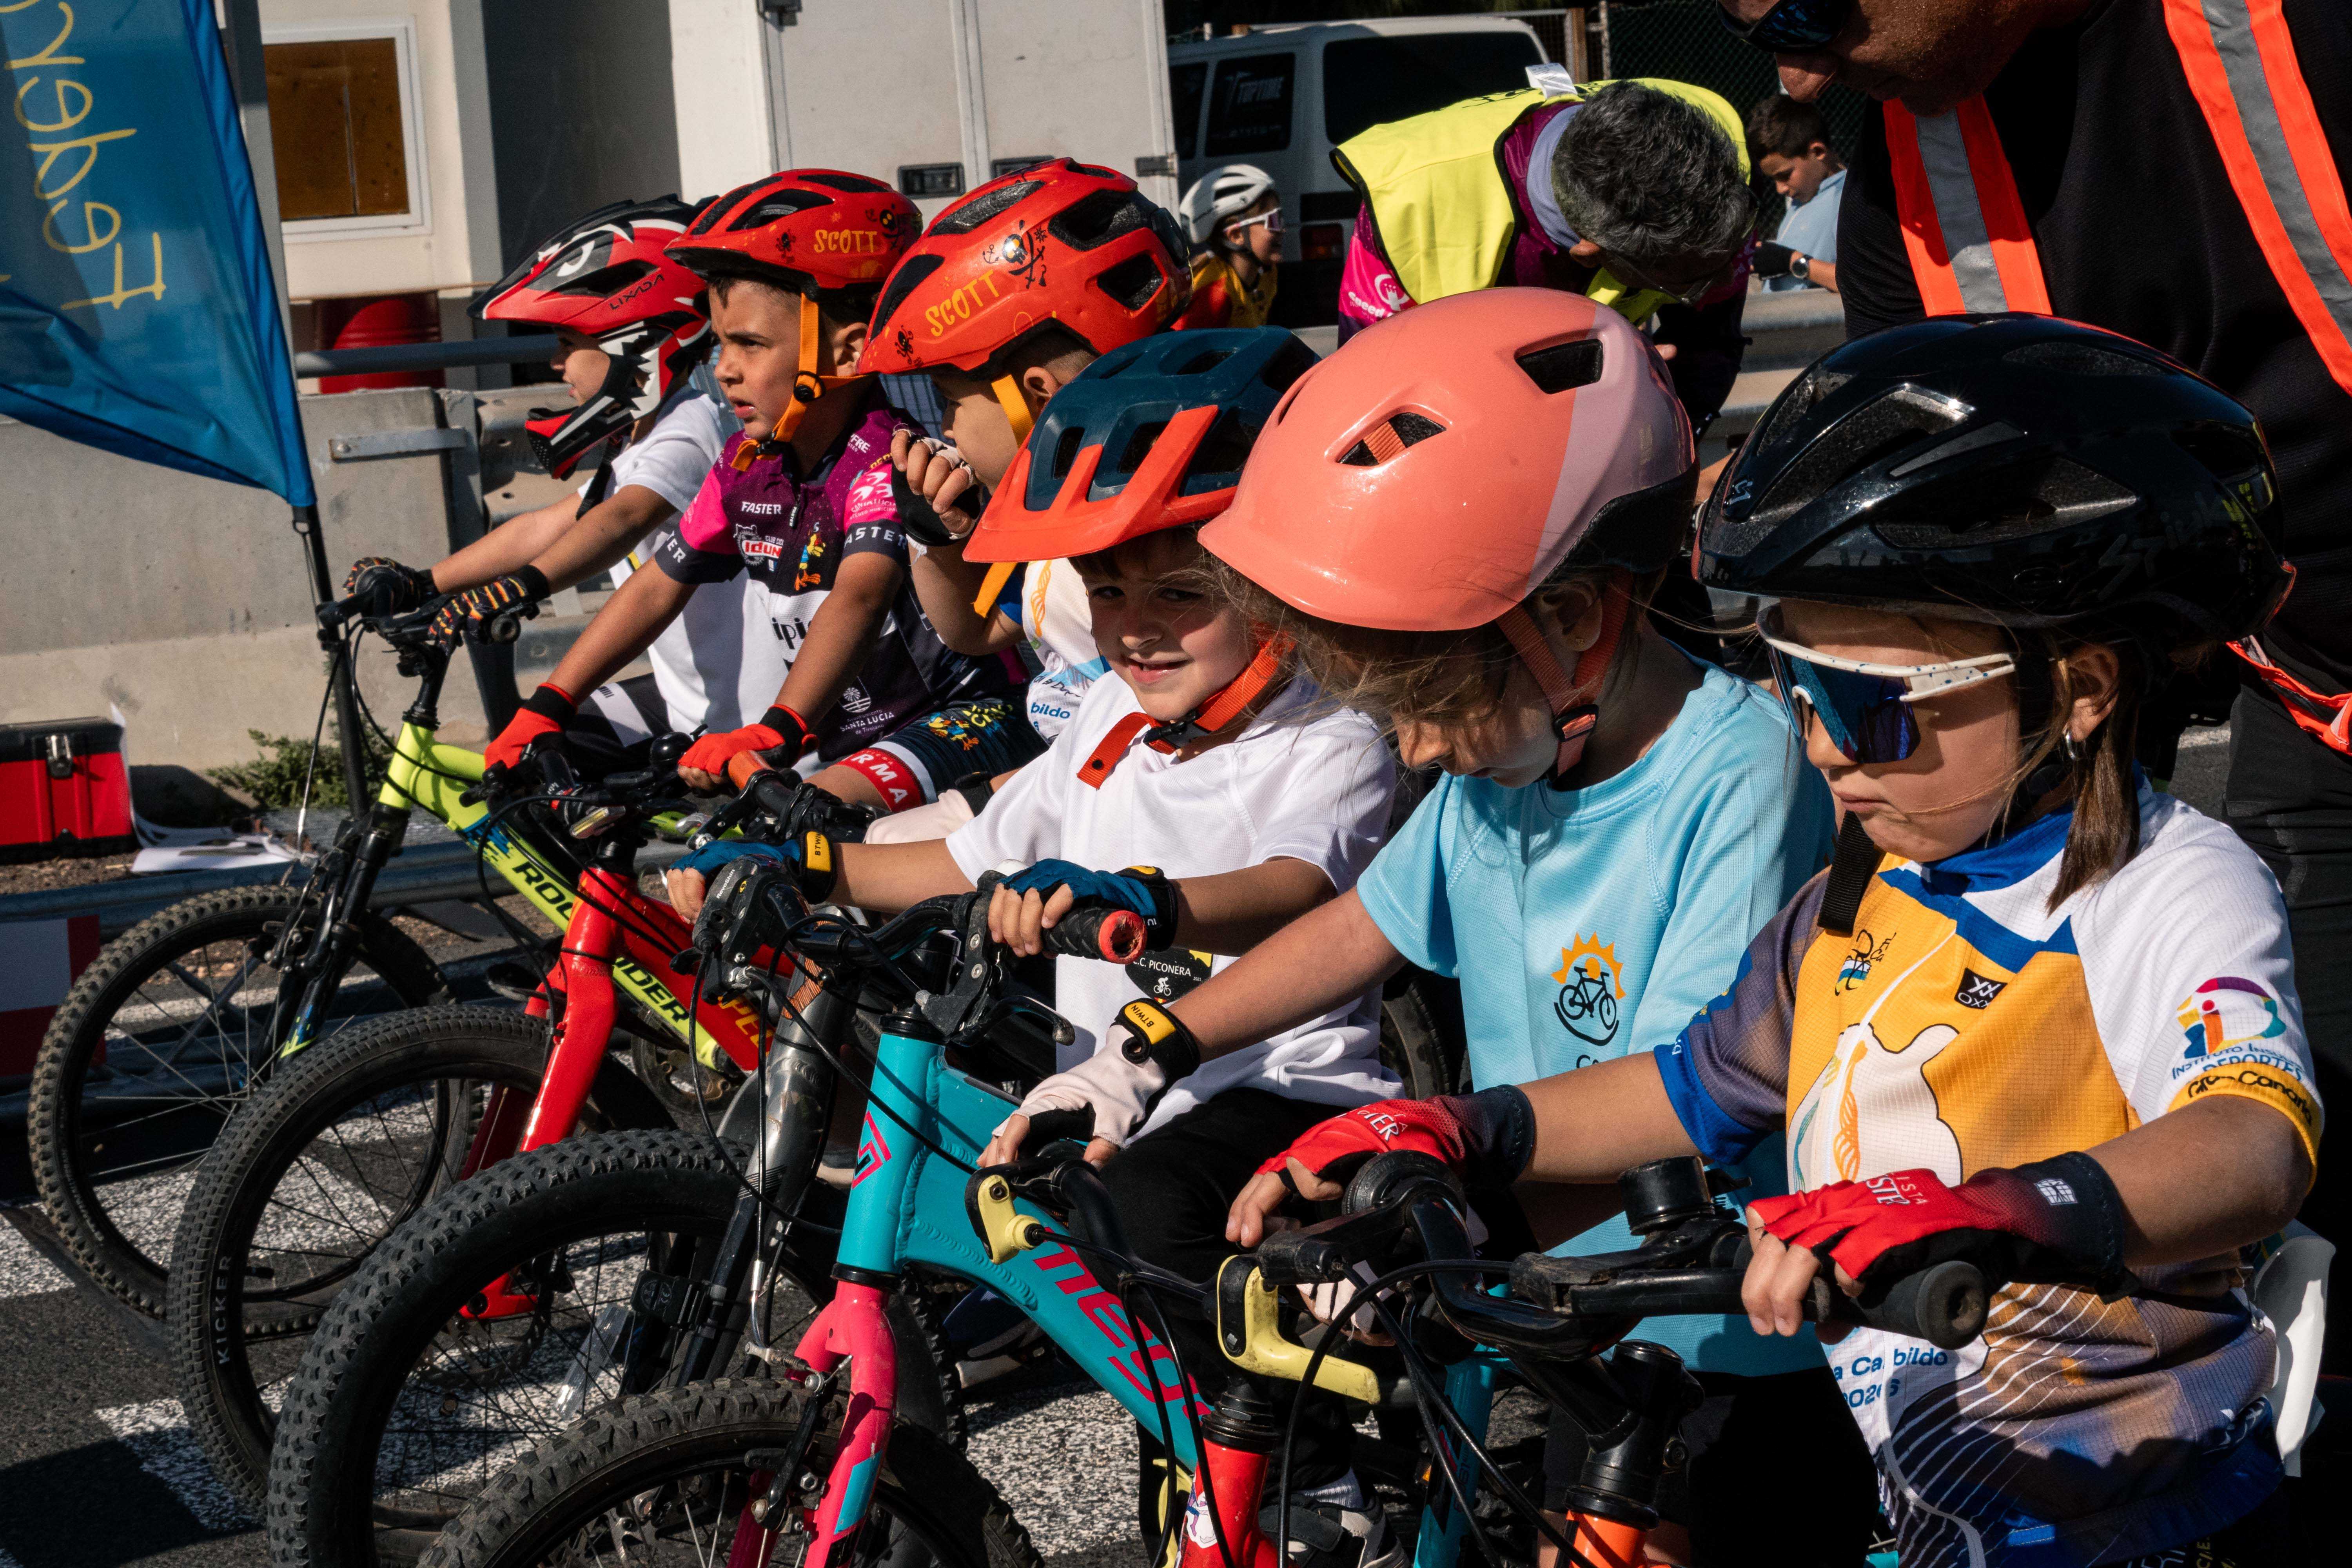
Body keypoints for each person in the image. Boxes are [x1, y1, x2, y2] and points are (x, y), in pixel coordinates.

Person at [1234, 316, 2319, 1568]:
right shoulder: (1869, 888)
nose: (1820, 746)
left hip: (2128, 1519)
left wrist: (2004, 1211)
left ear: (2076, 690)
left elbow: (2251, 1139)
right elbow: (1688, 1087)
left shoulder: (2166, 885)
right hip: (1921, 1501)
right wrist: (1463, 1135)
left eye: (1868, 706)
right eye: (1795, 687)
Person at [971, 286, 1867, 1564]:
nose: (1414, 746)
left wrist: (1446, 1198)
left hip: (1711, 1340)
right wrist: (1146, 1053)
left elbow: (1684, 1101)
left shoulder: (1740, 775)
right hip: (1555, 1307)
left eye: (1429, 699)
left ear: (1570, 619)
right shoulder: (1505, 762)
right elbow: (1359, 929)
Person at [663, 328, 1402, 1564]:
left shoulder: (1327, 735)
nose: (1134, 631)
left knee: (1146, 1214)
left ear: (1274, 584)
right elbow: (968, 858)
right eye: (1106, 593)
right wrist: (806, 868)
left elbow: (1293, 889)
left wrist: (1135, 897)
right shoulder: (1110, 714)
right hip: (1118, 1098)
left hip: (1276, 1091)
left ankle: (1321, 1481)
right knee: (1161, 1418)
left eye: (1180, 596)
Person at [1711, 0, 2352, 1383]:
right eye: (1747, 23)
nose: (1794, 72)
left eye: (1807, 7)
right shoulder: (1900, 187)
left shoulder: (2300, 35)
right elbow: (1975, 610)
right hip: (2309, 701)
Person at [479, 171, 1032, 814]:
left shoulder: (888, 455)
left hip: (960, 715)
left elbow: (859, 595)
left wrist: (779, 729)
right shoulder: (747, 465)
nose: (724, 368)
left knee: (780, 844)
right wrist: (549, 704)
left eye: (749, 344)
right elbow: (658, 586)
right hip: (847, 738)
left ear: (849, 354)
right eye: (720, 343)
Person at [342, 197, 755, 772]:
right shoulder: (641, 437)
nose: (556, 365)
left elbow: (624, 519)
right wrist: (422, 583)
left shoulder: (690, 430)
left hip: (736, 716)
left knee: (538, 772)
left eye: (566, 344)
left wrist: (522, 588)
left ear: (632, 343)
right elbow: (549, 524)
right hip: (685, 697)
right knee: (530, 762)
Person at [851, 158, 1194, 842]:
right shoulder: (1051, 517)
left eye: (950, 401)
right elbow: (974, 632)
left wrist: (983, 807)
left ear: (1036, 395)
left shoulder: (1143, 541)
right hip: (1080, 789)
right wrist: (939, 536)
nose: (944, 427)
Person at [1330, 76, 1755, 428]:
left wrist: (1667, 431)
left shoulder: (1714, 162)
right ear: (1591, 255)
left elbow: (1710, 347)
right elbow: (1370, 407)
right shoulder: (1404, 212)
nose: (1725, 277)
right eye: (1690, 281)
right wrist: (1574, 373)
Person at [1744, 94, 1841, 292]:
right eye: (1773, 179)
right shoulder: (1803, 199)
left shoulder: (1848, 199)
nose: (1780, 189)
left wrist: (1792, 261)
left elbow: (1864, 282)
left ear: (1818, 152)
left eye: (1785, 175)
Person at [1178, 163, 1281, 329]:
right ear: (1236, 235)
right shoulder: (1215, 294)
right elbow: (1181, 344)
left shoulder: (1266, 276)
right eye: (1273, 221)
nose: (1282, 229)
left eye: (1280, 217)